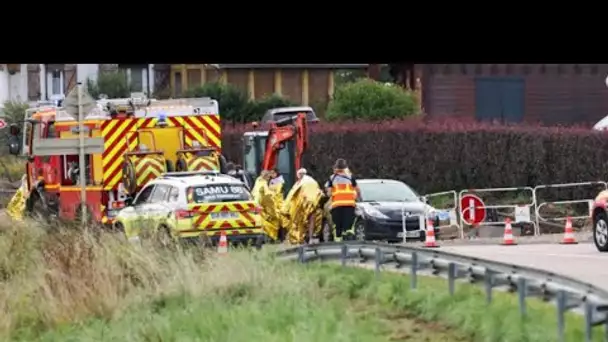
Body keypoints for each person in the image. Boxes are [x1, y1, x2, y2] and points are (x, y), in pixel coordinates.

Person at [325, 159, 360, 242]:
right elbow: (357, 190)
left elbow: (329, 193)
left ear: (336, 167)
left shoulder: (332, 178)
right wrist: (356, 198)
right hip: (349, 205)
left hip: (337, 206)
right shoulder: (351, 177)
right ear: (345, 167)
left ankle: (338, 243)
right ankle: (348, 240)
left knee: (338, 226)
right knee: (348, 227)